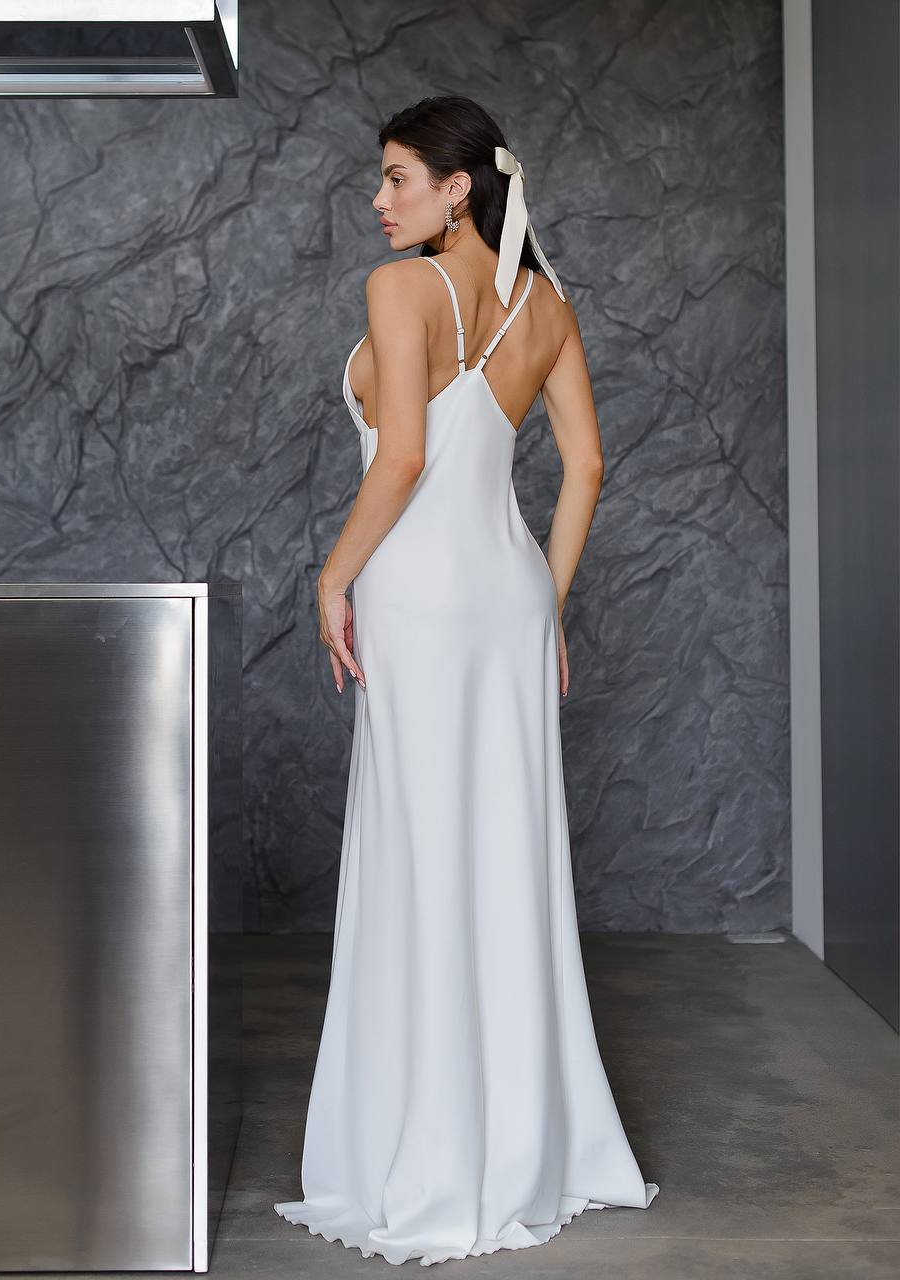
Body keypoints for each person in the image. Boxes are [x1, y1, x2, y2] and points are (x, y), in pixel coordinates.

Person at [274, 95, 659, 1267]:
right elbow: (584, 467)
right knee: (502, 857)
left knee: (425, 857)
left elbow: (399, 457)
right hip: (502, 597)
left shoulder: (400, 291)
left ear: (458, 187)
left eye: (397, 177)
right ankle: (522, 1141)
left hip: (423, 604)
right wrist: (545, 599)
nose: (379, 198)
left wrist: (333, 575)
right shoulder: (547, 304)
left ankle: (431, 1148)